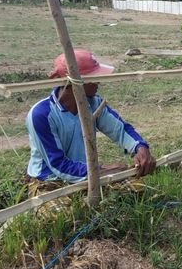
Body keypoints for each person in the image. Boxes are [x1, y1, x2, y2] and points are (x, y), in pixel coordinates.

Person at [26, 49, 157, 189]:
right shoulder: (41, 115)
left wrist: (140, 147)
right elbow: (57, 164)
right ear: (75, 82)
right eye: (93, 77)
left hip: (89, 174)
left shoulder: (94, 103)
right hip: (50, 181)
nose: (99, 82)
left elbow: (120, 130)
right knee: (66, 211)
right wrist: (101, 171)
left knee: (137, 190)